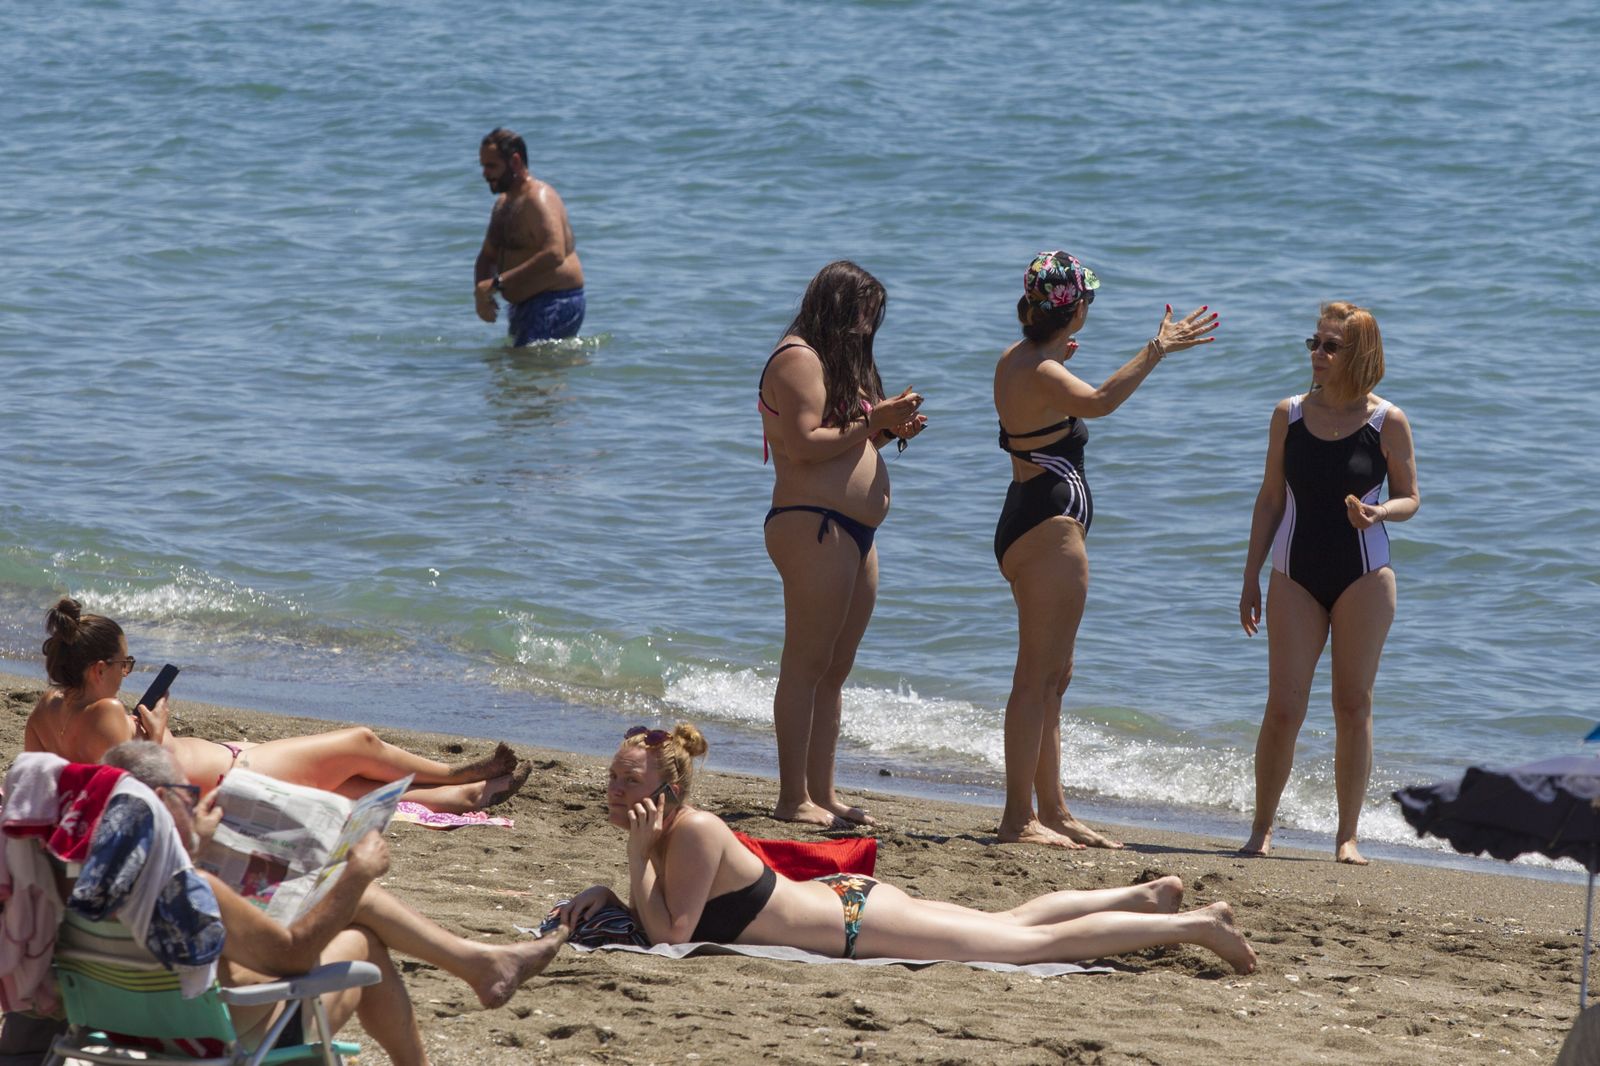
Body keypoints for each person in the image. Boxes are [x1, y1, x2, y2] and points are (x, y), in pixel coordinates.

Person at [558, 724, 1257, 973]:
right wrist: (617, 892)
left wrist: (629, 867)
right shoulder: (669, 839)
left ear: (671, 788)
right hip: (852, 909)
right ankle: (1144, 896)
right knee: (1008, 925)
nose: (615, 791)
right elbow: (669, 914)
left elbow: (671, 936)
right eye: (613, 778)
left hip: (859, 925)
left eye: (630, 780)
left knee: (1024, 949)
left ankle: (1193, 926)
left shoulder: (695, 832)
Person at [100, 742, 567, 1063]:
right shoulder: (189, 884)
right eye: (187, 796)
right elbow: (293, 954)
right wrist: (357, 871)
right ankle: (472, 982)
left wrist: (197, 843)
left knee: (344, 906)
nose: (196, 804)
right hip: (215, 1036)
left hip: (119, 1027)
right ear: (162, 802)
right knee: (362, 943)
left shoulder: (82, 877)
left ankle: (481, 966)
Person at [992, 251, 1217, 849]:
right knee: (1035, 677)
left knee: (1053, 678)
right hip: (1048, 530)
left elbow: (1048, 394)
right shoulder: (1043, 371)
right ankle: (1019, 819)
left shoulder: (1022, 360)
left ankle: (1054, 809)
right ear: (1077, 309)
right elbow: (1097, 403)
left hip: (1030, 522)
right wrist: (1157, 348)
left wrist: (1055, 360)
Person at [24, 598, 529, 812]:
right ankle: (456, 772)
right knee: (360, 743)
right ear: (98, 669)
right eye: (124, 664)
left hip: (225, 773)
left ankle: (461, 797)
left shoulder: (47, 711)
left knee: (347, 787)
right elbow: (150, 794)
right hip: (229, 778)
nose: (126, 672)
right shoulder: (107, 712)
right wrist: (156, 736)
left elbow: (36, 781)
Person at [1238, 303, 1418, 865]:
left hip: (1364, 576)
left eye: (1330, 346)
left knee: (1352, 705)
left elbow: (1412, 498)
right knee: (1284, 708)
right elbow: (1270, 499)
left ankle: (1346, 837)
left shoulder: (1387, 421)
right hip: (1294, 574)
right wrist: (1250, 575)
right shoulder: (1287, 414)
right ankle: (1261, 831)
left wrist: (1380, 512)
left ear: (1358, 355)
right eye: (1313, 343)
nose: (1318, 354)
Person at [757, 261, 926, 828]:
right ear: (836, 306)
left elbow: (845, 439)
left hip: (852, 529)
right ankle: (790, 798)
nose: (865, 328)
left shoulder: (832, 364)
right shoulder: (798, 358)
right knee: (805, 663)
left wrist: (887, 428)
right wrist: (874, 417)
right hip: (814, 523)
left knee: (834, 668)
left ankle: (821, 792)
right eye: (860, 314)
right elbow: (805, 445)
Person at [473, 127, 585, 346]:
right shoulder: (503, 204)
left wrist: (498, 282)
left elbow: (554, 253)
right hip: (522, 305)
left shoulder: (538, 198)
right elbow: (487, 256)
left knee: (531, 373)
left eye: (491, 166)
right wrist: (481, 294)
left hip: (554, 301)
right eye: (483, 166)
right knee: (520, 371)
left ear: (515, 161)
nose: (485, 173)